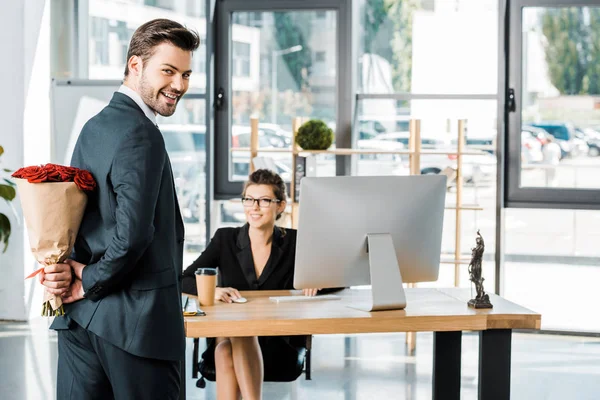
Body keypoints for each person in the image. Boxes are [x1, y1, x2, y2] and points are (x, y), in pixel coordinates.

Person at [39, 19, 200, 399]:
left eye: (186, 74)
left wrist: (68, 274)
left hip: (81, 327)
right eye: (168, 70)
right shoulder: (142, 134)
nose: (179, 85)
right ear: (135, 65)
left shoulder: (94, 126)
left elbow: (77, 218)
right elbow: (133, 236)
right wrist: (86, 282)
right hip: (136, 329)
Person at [182, 169, 318, 400]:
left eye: (264, 200)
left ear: (280, 206)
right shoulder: (225, 239)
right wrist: (212, 291)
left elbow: (334, 277)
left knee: (229, 345)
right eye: (249, 199)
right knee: (233, 337)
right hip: (229, 332)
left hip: (277, 339)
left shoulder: (294, 242)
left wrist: (317, 282)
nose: (254, 207)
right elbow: (184, 278)